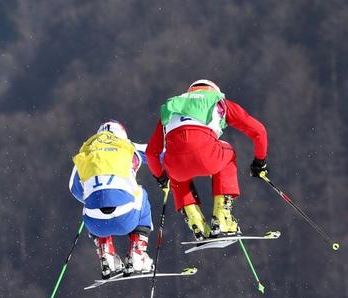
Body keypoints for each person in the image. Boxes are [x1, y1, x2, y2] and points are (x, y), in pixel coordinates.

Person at [146, 79, 269, 240]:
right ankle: (222, 218)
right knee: (228, 152)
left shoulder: (171, 106)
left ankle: (196, 222)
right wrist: (260, 162)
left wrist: (161, 177)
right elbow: (259, 131)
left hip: (176, 164)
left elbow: (151, 153)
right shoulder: (218, 101)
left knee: (174, 174)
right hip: (206, 155)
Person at [69, 120, 154, 279]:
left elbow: (74, 188)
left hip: (95, 224)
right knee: (141, 194)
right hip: (126, 218)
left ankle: (106, 254)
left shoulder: (86, 152)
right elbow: (158, 153)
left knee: (91, 202)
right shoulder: (128, 147)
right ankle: (137, 254)